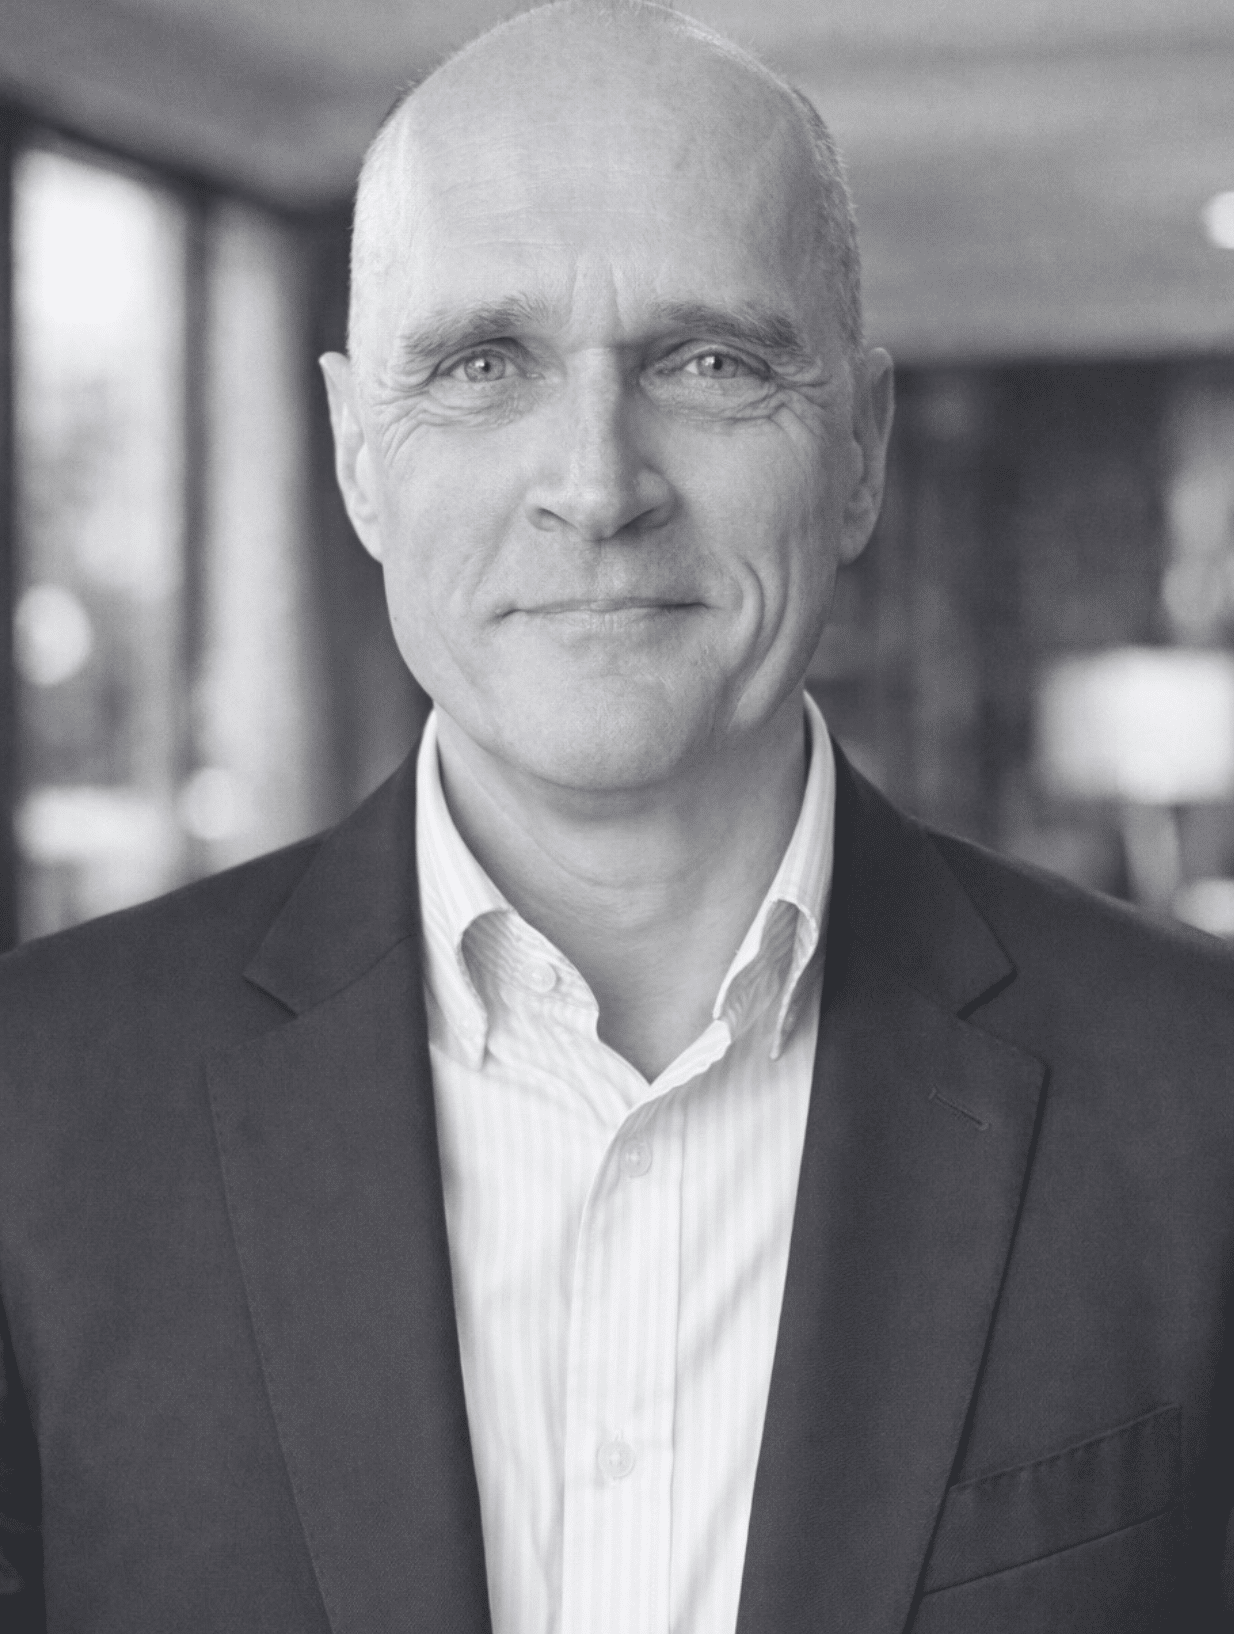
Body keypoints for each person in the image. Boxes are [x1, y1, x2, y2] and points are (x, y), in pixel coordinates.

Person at [1, 2, 1232, 1629]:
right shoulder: (34, 1102)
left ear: (859, 450)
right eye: (481, 365)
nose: (594, 484)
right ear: (358, 452)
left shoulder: (1199, 1095)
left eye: (707, 362)